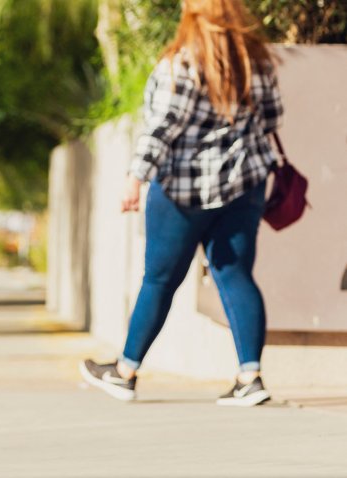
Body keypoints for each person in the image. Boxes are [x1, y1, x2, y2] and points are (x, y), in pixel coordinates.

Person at [80, 0, 283, 407]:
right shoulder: (257, 59)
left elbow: (162, 126)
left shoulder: (183, 61)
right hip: (243, 186)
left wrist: (135, 176)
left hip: (182, 192)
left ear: (192, 12)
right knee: (236, 275)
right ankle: (251, 378)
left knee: (159, 279)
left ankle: (125, 372)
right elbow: (273, 118)